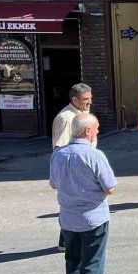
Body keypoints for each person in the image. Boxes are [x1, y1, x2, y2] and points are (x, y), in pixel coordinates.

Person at [49, 114, 115, 274]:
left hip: (68, 218)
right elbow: (110, 187)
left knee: (72, 261)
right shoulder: (94, 155)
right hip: (93, 217)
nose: (97, 132)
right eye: (96, 128)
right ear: (87, 131)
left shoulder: (58, 155)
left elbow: (53, 183)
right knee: (92, 263)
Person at [51, 83, 95, 252]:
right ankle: (67, 241)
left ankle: (68, 241)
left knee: (78, 205)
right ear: (74, 100)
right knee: (72, 205)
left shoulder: (82, 113)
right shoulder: (66, 118)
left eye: (90, 98)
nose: (89, 102)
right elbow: (60, 150)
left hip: (84, 167)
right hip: (72, 170)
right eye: (85, 99)